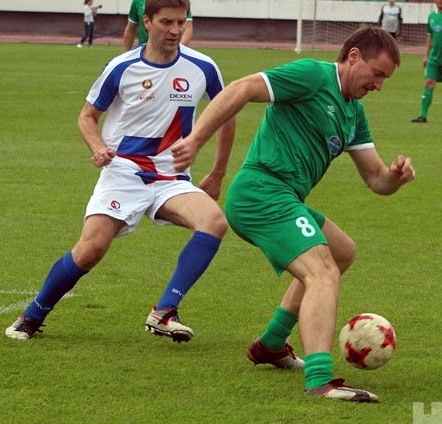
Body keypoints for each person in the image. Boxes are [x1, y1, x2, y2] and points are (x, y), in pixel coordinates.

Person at [170, 26, 415, 403]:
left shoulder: (354, 114)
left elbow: (376, 180)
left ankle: (271, 343)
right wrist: (196, 139)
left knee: (342, 252)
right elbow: (241, 88)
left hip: (284, 198)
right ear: (353, 57)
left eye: (385, 78)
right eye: (377, 74)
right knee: (323, 271)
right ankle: (320, 379)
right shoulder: (313, 76)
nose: (380, 85)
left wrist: (395, 178)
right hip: (260, 192)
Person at [5, 0, 236, 342]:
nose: (175, 30)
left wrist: (218, 172)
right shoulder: (122, 66)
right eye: (166, 22)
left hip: (171, 177)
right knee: (91, 249)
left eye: (180, 22)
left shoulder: (202, 66)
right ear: (147, 22)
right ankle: (33, 314)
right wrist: (98, 147)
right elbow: (87, 117)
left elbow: (227, 114)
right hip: (123, 170)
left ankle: (164, 311)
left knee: (214, 222)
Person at [122, 0, 194, 50]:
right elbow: (130, 29)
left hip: (171, 51)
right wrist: (125, 54)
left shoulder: (178, 0)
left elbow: (188, 28)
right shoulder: (138, 0)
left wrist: (178, 49)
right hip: (145, 52)